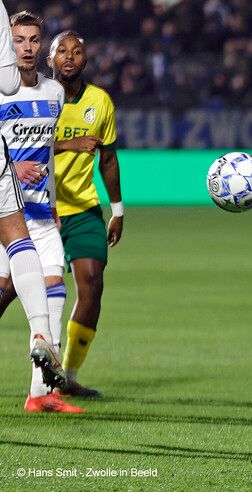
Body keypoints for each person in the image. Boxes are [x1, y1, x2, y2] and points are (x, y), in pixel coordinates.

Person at [0, 11, 82, 413]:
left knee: (55, 293)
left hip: (42, 214)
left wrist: (52, 199)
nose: (27, 48)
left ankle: (40, 395)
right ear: (7, 44)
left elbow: (47, 148)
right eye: (19, 40)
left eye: (33, 40)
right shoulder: (1, 91)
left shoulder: (54, 93)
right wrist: (11, 168)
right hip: (6, 214)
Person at [48, 30, 124, 397]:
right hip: (34, 209)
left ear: (85, 60)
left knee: (92, 285)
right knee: (10, 289)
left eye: (76, 52)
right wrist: (69, 144)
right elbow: (18, 146)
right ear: (50, 60)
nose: (69, 57)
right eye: (61, 51)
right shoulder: (37, 99)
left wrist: (118, 209)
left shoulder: (100, 102)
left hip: (82, 209)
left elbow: (108, 159)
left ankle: (68, 378)